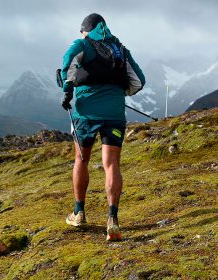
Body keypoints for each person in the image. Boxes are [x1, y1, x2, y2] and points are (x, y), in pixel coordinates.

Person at [60, 13, 145, 241]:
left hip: (86, 113)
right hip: (115, 114)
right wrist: (117, 93)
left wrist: (67, 90)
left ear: (86, 30)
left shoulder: (83, 44)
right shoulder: (120, 50)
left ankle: (79, 213)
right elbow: (139, 81)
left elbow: (67, 64)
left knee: (82, 159)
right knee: (111, 164)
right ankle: (113, 220)